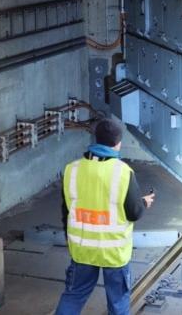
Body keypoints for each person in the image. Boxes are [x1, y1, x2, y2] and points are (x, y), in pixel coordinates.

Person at [56, 118, 155, 315]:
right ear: (118, 143)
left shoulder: (72, 169)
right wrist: (144, 202)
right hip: (114, 253)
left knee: (74, 295)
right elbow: (133, 213)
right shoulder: (123, 172)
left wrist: (70, 240)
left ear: (96, 138)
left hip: (82, 249)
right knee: (118, 302)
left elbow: (66, 211)